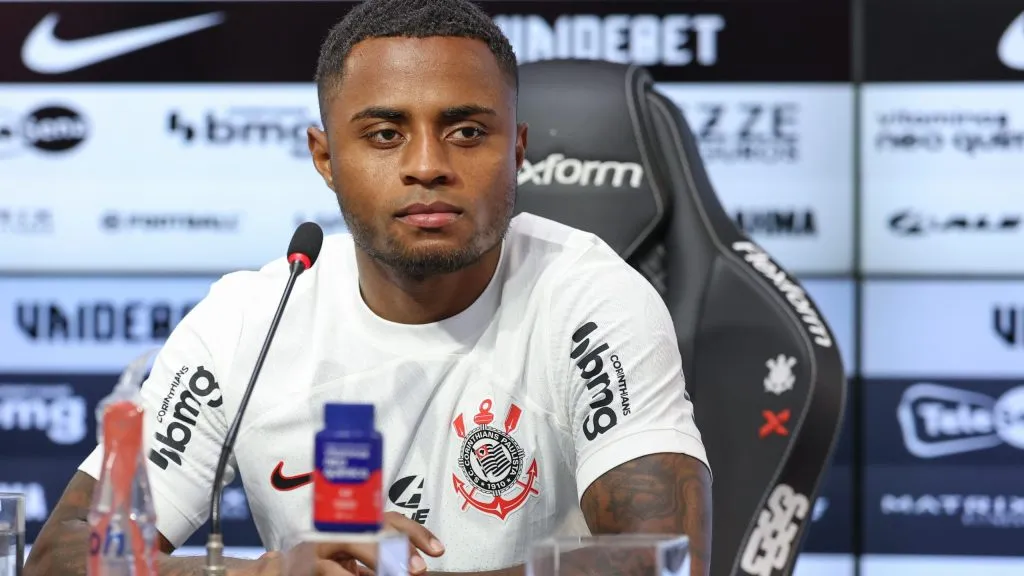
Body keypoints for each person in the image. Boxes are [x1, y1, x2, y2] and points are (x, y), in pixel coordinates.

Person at [25, 0, 713, 574]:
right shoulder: (250, 320)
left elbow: (661, 559)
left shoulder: (591, 300)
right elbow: (60, 556)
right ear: (325, 158)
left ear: (518, 150)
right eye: (385, 134)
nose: (427, 166)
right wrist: (265, 573)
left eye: (468, 131)